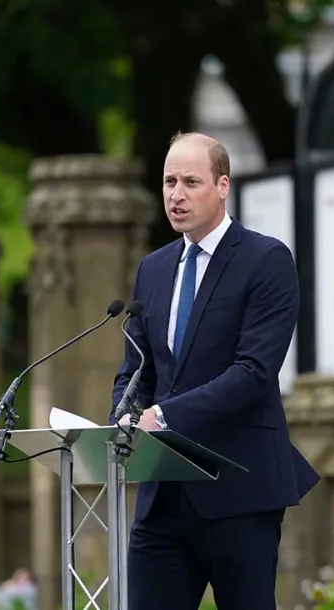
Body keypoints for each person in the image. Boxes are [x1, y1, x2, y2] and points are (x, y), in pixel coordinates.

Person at [110, 131, 320, 610]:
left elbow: (254, 372)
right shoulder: (153, 269)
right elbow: (136, 370)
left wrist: (164, 415)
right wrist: (124, 414)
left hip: (239, 491)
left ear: (223, 186)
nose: (176, 195)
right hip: (163, 499)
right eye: (168, 182)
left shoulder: (266, 260)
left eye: (190, 182)